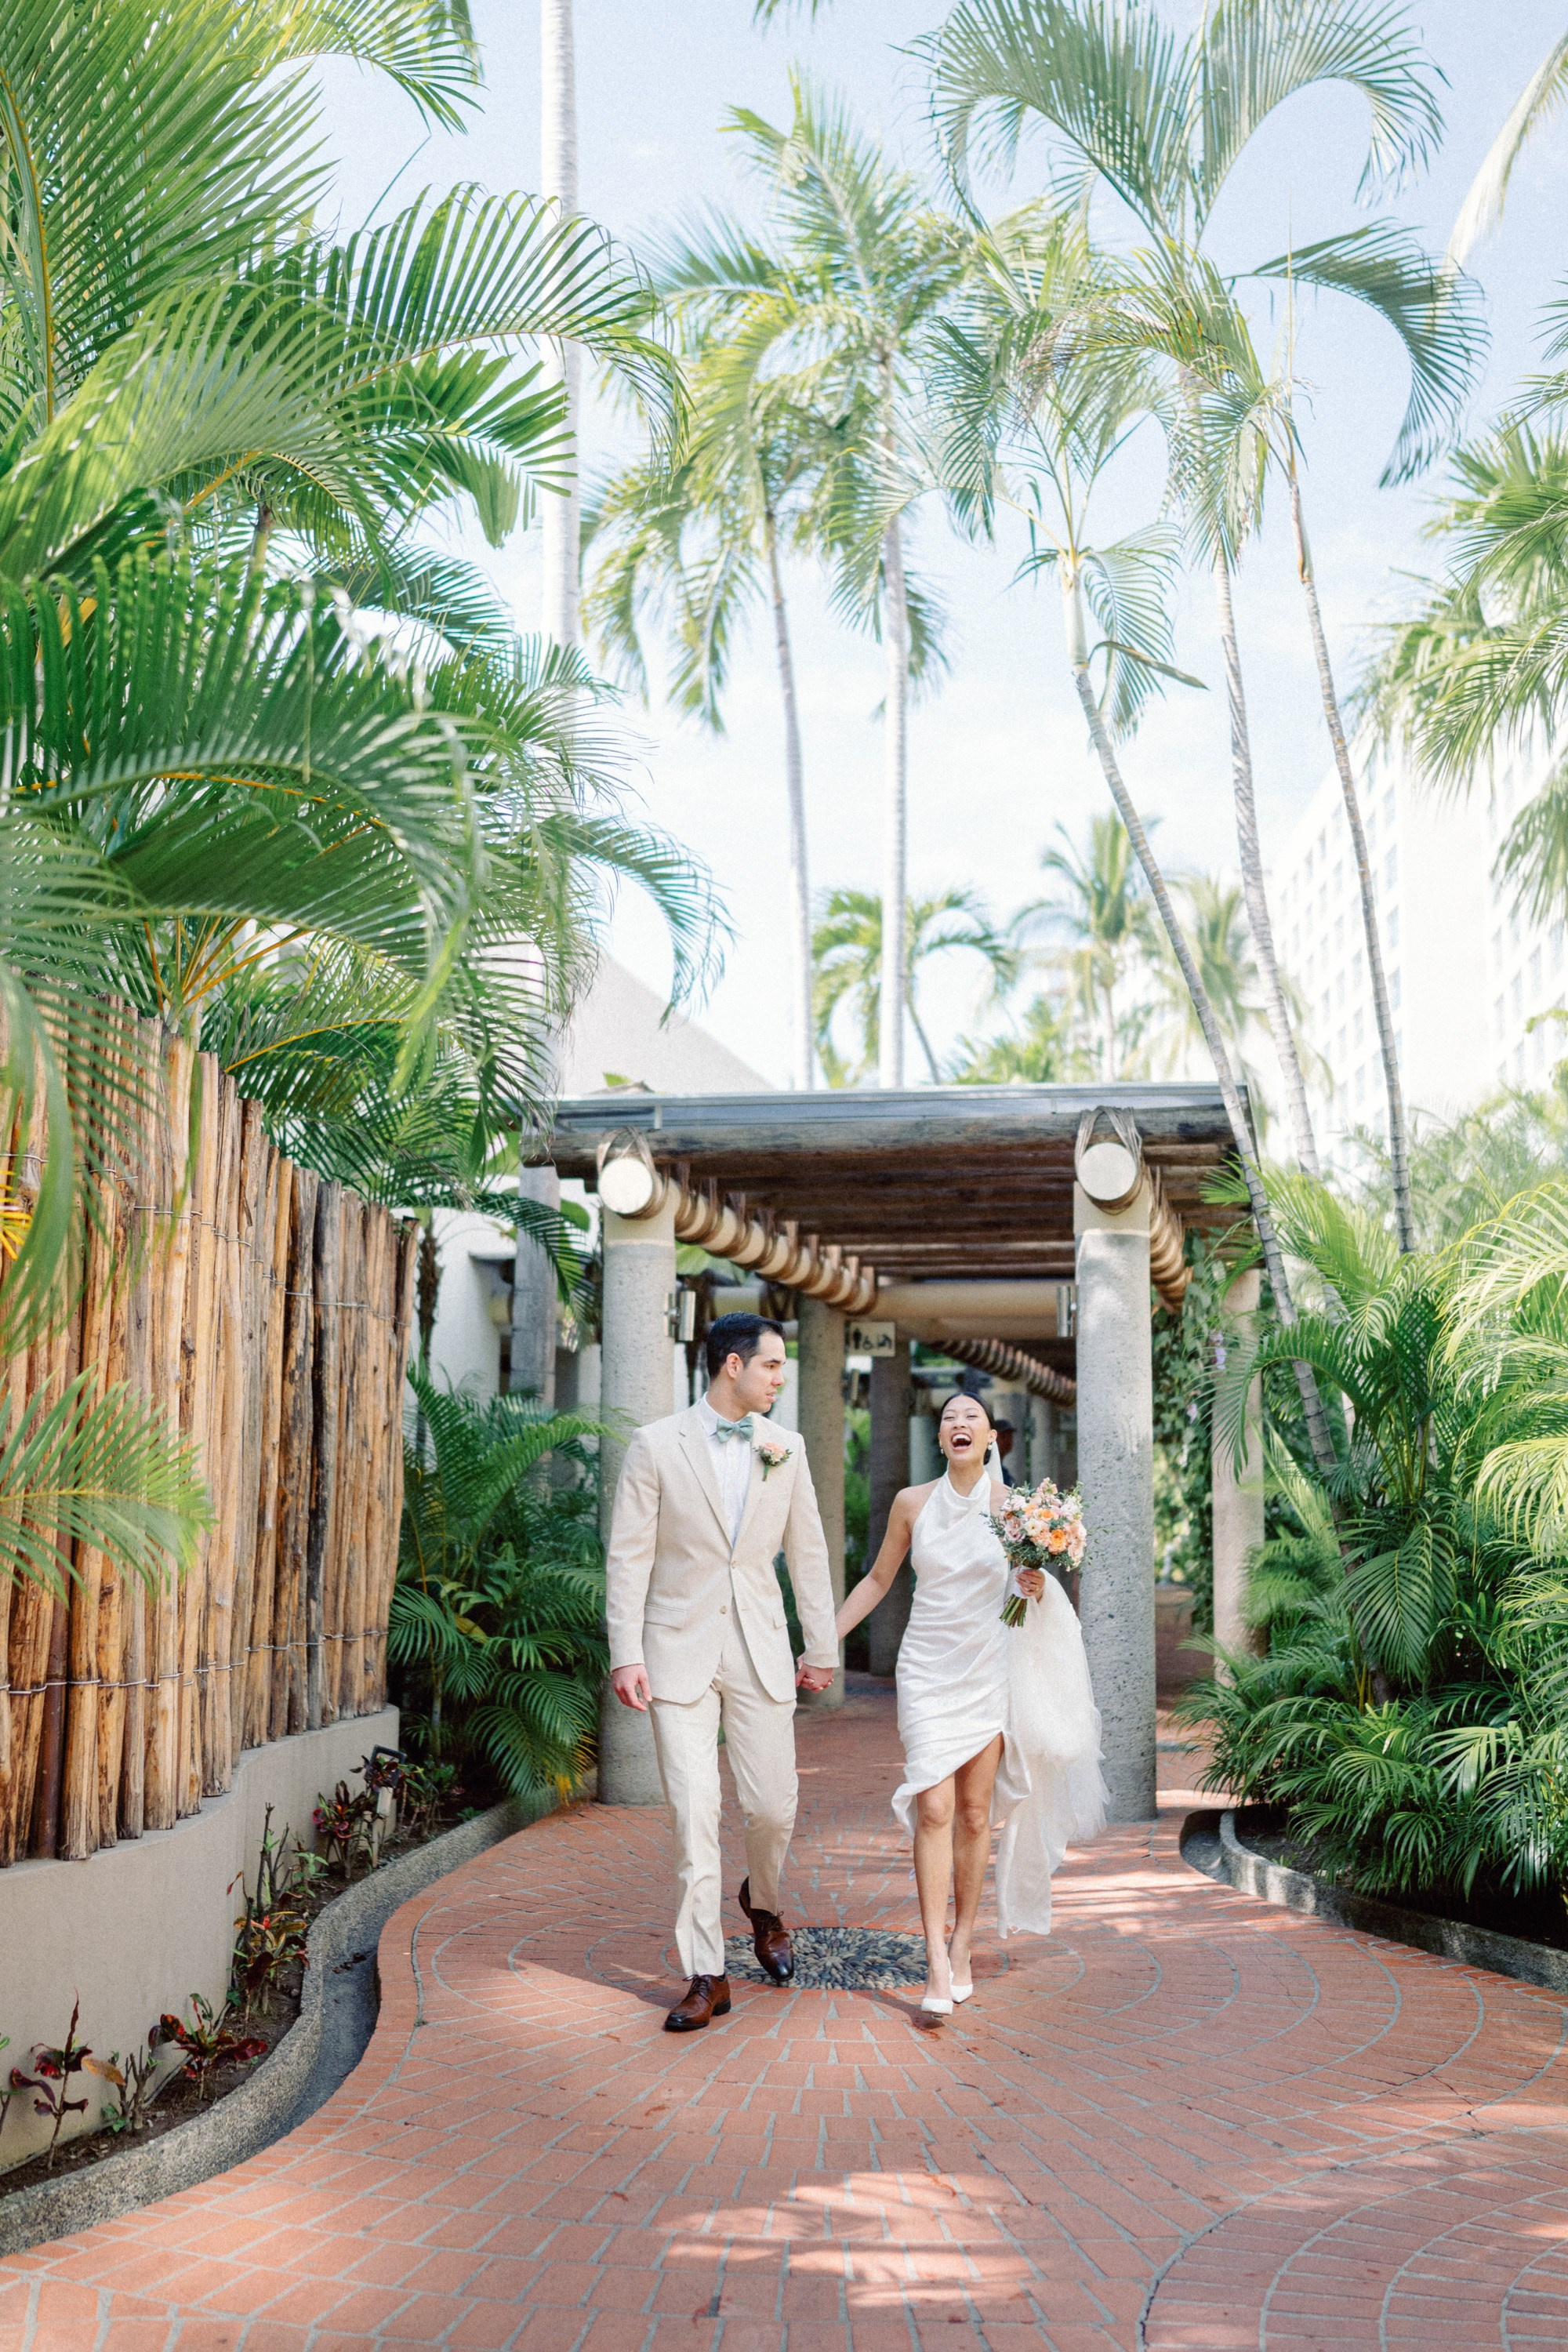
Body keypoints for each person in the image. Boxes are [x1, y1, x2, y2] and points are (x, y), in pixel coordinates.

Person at [835, 1391, 1106, 2016]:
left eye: (971, 1419)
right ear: (940, 1439)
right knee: (934, 1806)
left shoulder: (1017, 1511)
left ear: (991, 1440)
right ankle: (933, 1958)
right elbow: (879, 1579)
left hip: (989, 1666)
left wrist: (1035, 1587)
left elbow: (1028, 1594)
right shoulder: (912, 1503)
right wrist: (825, 1641)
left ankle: (962, 1945)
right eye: (948, 1419)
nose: (959, 1425)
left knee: (976, 1813)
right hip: (928, 1666)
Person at [605, 1311, 838, 2032]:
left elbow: (807, 1554)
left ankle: (762, 1903)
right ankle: (707, 1972)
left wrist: (820, 1644)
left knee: (772, 1806)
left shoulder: (787, 1448)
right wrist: (626, 1650)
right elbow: (629, 1556)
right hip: (676, 1651)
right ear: (732, 1365)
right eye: (772, 1366)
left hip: (761, 1648)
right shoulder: (655, 1445)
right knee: (693, 1813)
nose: (780, 1379)